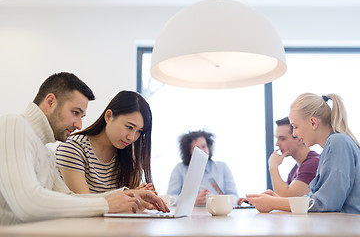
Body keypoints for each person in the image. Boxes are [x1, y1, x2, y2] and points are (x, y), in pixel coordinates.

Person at [0, 72, 168, 225]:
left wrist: (127, 196)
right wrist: (106, 204)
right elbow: (28, 203)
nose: (79, 125)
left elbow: (70, 198)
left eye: (82, 116)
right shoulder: (13, 124)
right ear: (50, 102)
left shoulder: (46, 154)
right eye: (75, 112)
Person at [246, 93, 360, 214]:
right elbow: (316, 200)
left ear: (313, 123)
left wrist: (273, 203)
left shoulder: (338, 142)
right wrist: (277, 200)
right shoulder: (330, 149)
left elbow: (325, 204)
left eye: (295, 127)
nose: (294, 134)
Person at [56, 90, 155, 194]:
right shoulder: (73, 149)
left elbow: (129, 205)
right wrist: (131, 195)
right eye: (129, 127)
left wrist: (143, 199)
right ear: (108, 116)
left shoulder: (129, 156)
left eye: (139, 131)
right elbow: (83, 203)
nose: (132, 137)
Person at [167, 130, 239, 206]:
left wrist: (216, 200)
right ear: (189, 151)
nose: (202, 151)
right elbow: (170, 198)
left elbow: (235, 198)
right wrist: (190, 201)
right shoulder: (179, 169)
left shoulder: (222, 167)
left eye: (204, 146)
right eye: (196, 148)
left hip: (217, 214)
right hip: (190, 215)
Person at [268, 117, 319, 197]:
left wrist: (273, 166)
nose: (277, 144)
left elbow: (287, 197)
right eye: (277, 139)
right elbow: (282, 198)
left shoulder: (313, 164)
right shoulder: (296, 168)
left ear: (299, 139)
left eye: (282, 139)